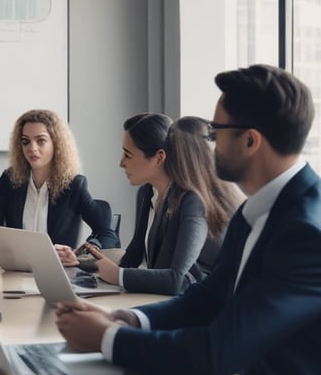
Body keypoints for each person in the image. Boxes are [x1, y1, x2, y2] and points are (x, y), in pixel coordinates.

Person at [56, 65, 321, 375]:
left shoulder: (306, 230)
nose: (206, 144)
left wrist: (108, 339)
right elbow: (208, 296)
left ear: (251, 141)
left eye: (217, 133)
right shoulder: (258, 208)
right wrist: (129, 318)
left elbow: (219, 351)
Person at [85, 114, 240, 295]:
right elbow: (133, 255)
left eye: (128, 154)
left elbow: (177, 280)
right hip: (168, 298)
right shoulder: (147, 193)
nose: (121, 163)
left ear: (159, 158)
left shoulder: (193, 201)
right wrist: (82, 265)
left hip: (207, 303)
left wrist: (118, 275)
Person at [0, 109, 119, 266]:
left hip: (57, 271)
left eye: (41, 141)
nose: (32, 148)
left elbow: (107, 234)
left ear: (57, 143)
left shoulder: (73, 184)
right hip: (17, 268)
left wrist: (84, 253)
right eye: (25, 141)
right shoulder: (10, 180)